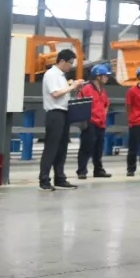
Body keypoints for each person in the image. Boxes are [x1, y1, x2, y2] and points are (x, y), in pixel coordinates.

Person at [40, 49, 83, 191]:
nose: (71, 66)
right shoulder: (52, 74)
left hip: (64, 112)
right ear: (62, 61)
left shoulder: (61, 76)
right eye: (70, 63)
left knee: (62, 148)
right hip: (55, 113)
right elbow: (55, 94)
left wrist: (72, 87)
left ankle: (60, 178)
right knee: (51, 147)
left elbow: (64, 93)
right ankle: (44, 180)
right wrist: (72, 86)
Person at [75, 64, 113, 180]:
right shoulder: (87, 89)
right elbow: (79, 103)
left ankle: (98, 170)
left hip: (100, 123)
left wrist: (104, 115)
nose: (107, 78)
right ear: (98, 76)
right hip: (90, 122)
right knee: (86, 147)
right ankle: (82, 171)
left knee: (98, 148)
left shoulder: (102, 90)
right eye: (105, 76)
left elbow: (106, 104)